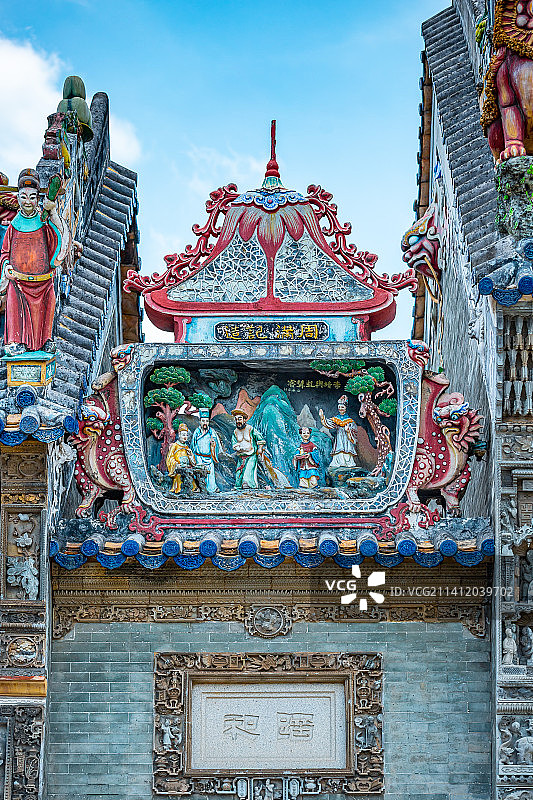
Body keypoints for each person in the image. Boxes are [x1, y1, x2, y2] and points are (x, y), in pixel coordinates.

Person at [0, 169, 69, 355]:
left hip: (43, 281)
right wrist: (6, 265)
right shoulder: (13, 226)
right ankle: (16, 341)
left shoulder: (44, 222)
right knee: (15, 310)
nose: (28, 201)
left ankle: (45, 340)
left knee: (45, 311)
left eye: (32, 197)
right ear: (18, 198)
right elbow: (5, 251)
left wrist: (52, 211)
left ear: (38, 199)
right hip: (18, 282)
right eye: (23, 197)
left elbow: (58, 240)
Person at [319, 394, 359, 470]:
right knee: (339, 447)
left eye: (342, 407)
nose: (341, 408)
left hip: (347, 437)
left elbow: (354, 430)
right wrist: (322, 418)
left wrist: (348, 431)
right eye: (339, 407)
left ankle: (348, 462)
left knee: (347, 448)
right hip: (339, 435)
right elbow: (328, 424)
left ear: (345, 408)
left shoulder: (350, 420)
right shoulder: (336, 419)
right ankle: (338, 462)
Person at [231, 409, 266, 490]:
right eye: (236, 419)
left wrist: (260, 448)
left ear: (244, 419)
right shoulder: (235, 432)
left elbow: (260, 439)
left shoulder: (250, 429)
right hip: (241, 456)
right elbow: (234, 443)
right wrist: (236, 447)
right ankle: (238, 488)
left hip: (251, 455)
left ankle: (250, 487)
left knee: (247, 475)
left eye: (239, 419)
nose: (238, 421)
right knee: (238, 476)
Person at [191, 408, 222, 493]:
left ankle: (211, 489)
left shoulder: (212, 432)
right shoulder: (197, 432)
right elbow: (193, 445)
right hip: (199, 457)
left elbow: (217, 446)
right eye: (203, 421)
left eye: (207, 421)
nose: (205, 423)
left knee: (210, 475)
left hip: (208, 457)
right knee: (200, 473)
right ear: (200, 422)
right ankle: (199, 488)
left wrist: (213, 444)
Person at [166, 423, 196, 494]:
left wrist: (190, 455)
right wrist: (175, 464)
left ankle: (192, 489)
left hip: (187, 468)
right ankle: (179, 489)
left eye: (186, 435)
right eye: (183, 435)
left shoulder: (187, 447)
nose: (185, 437)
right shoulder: (175, 446)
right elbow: (170, 458)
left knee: (190, 477)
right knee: (179, 477)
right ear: (179, 435)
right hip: (179, 469)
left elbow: (193, 462)